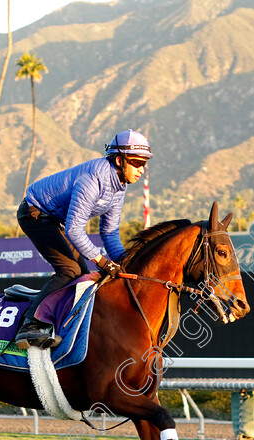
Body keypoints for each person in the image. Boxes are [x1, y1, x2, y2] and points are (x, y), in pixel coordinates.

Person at [14, 129, 154, 349]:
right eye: (136, 162)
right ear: (119, 160)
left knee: (82, 273)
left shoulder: (119, 186)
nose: (141, 169)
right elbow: (74, 230)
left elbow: (109, 232)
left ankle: (55, 321)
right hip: (34, 213)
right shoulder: (94, 178)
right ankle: (30, 325)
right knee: (70, 271)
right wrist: (103, 261)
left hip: (52, 219)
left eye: (144, 163)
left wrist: (127, 262)